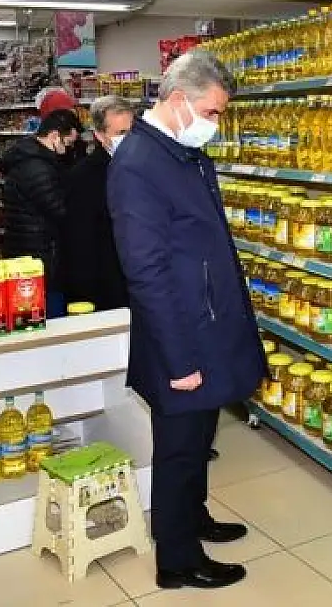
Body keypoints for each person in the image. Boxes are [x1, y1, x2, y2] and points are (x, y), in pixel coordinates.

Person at [108, 50, 263, 590]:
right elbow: (146, 272)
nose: (215, 123)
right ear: (178, 101)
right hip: (180, 335)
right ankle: (176, 559)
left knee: (199, 436)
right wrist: (178, 361)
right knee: (178, 446)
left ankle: (193, 517)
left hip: (205, 323)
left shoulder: (180, 151)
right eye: (212, 112)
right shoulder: (137, 164)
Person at [0, 109, 80, 316]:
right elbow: (58, 209)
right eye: (68, 143)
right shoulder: (36, 168)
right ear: (54, 136)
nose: (68, 150)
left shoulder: (30, 158)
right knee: (43, 309)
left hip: (28, 247)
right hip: (38, 250)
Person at [61, 95, 134, 311]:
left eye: (132, 133)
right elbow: (79, 243)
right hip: (105, 287)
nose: (128, 140)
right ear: (100, 135)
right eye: (120, 133)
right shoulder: (84, 176)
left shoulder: (145, 168)